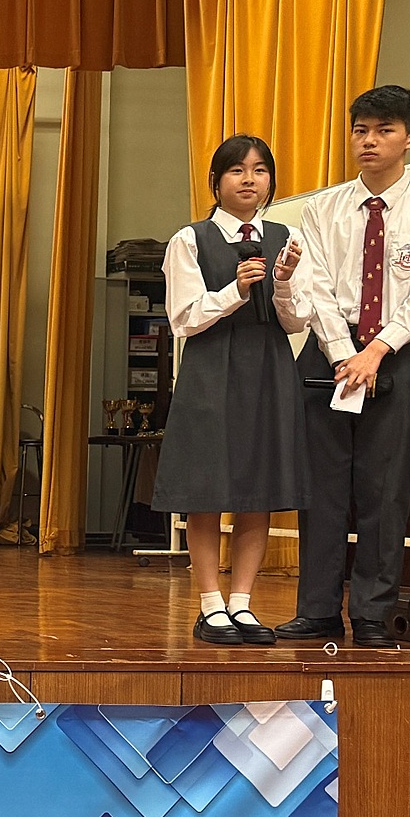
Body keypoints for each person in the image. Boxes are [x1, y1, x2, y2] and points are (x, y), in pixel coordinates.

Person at [277, 86, 410, 648]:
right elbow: (315, 288)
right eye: (360, 130)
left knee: (387, 491)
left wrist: (377, 350)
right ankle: (316, 610)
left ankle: (373, 614)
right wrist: (344, 353)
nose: (369, 141)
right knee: (322, 489)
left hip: (400, 357)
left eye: (384, 130)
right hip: (329, 356)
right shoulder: (323, 209)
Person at [148, 135, 308, 645]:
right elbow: (184, 319)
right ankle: (209, 604)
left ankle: (242, 603)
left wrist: (284, 282)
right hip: (211, 368)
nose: (249, 180)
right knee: (207, 489)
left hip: (268, 368)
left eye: (260, 170)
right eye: (237, 170)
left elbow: (296, 321)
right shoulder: (190, 239)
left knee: (257, 489)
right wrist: (236, 290)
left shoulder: (286, 237)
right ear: (215, 181)